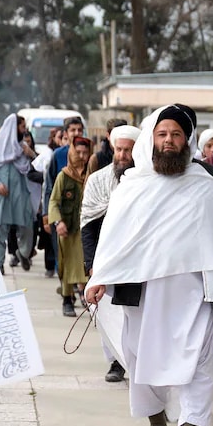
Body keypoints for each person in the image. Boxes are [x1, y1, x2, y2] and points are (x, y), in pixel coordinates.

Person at [86, 104, 213, 426]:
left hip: (195, 293)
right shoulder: (132, 186)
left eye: (176, 134)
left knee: (199, 361)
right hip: (144, 294)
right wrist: (99, 278)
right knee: (141, 358)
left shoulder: (205, 185)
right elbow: (115, 241)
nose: (169, 141)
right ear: (152, 139)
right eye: (163, 134)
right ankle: (156, 424)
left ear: (187, 139)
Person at [80, 124, 140, 382]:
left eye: (128, 150)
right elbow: (88, 225)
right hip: (104, 258)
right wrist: (92, 264)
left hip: (134, 259)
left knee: (131, 314)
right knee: (104, 312)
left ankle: (134, 360)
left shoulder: (144, 182)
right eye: (119, 149)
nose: (123, 155)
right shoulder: (97, 181)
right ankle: (115, 362)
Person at [0, 113, 36, 271]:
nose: (25, 130)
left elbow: (36, 167)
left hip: (20, 195)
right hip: (3, 195)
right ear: (13, 128)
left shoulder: (22, 148)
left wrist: (31, 154)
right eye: (22, 127)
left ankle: (23, 253)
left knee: (27, 226)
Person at [50, 136, 93, 316]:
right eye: (78, 152)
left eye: (85, 152)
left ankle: (86, 295)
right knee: (67, 264)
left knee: (86, 263)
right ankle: (67, 299)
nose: (81, 156)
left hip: (87, 228)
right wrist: (58, 222)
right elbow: (54, 201)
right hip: (67, 229)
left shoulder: (92, 175)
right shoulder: (63, 175)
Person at [44, 116, 85, 277]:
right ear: (65, 133)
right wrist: (47, 215)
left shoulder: (87, 154)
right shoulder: (58, 155)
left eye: (79, 130)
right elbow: (49, 186)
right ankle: (66, 293)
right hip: (60, 213)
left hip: (80, 214)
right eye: (72, 130)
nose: (76, 133)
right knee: (61, 252)